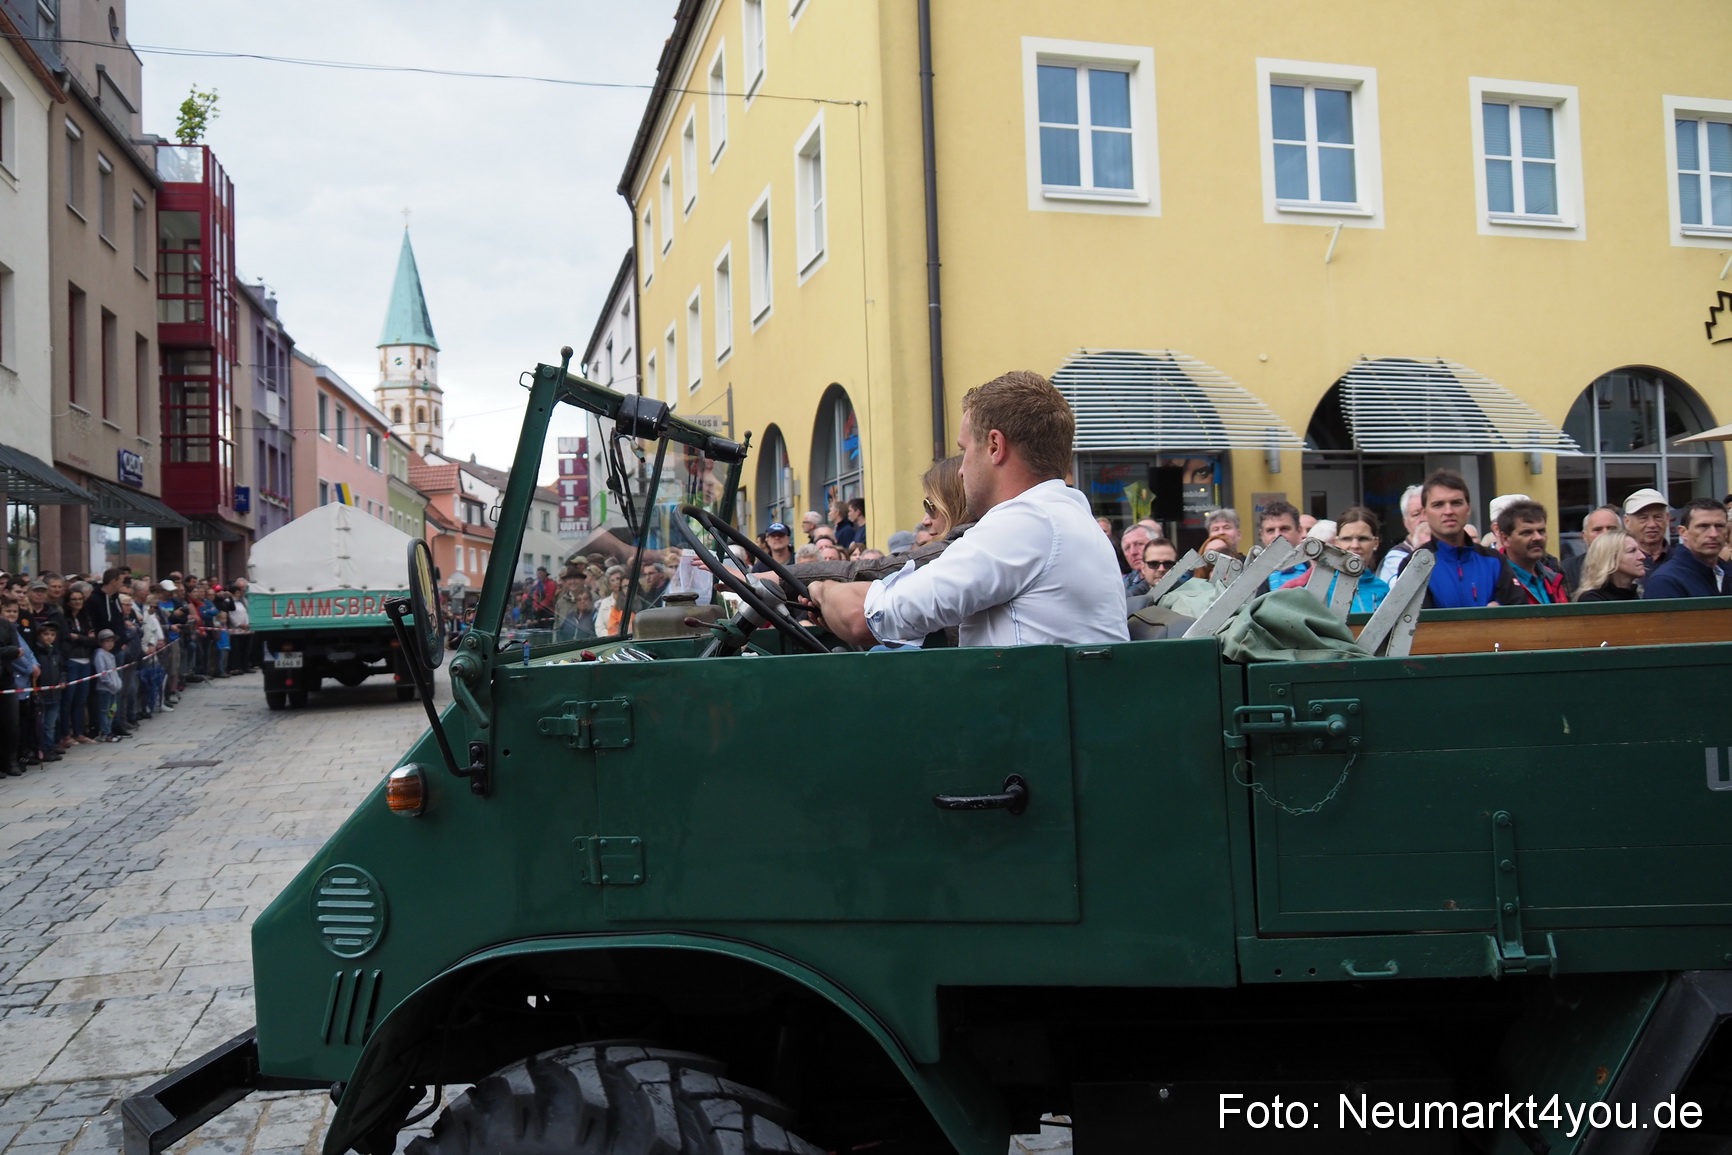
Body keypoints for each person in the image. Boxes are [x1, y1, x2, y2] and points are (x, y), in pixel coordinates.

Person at [807, 370, 1129, 648]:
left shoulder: (1026, 522)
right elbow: (906, 590)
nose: (960, 470)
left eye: (964, 450)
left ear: (994, 446)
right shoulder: (1064, 517)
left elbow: (870, 618)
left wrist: (823, 591)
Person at [1400, 469, 1518, 608]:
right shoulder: (1414, 565)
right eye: (1438, 505)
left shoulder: (1495, 561)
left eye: (1456, 503)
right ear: (1425, 513)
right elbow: (1421, 625)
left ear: (1468, 508)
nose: (1448, 511)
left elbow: (1520, 617)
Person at [1642, 498, 1727, 599]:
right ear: (1683, 532)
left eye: (1719, 526)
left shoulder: (1727, 572)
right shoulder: (1665, 581)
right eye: (1703, 526)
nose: (1713, 534)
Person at [1495, 499, 1568, 605]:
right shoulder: (1495, 580)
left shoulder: (1552, 578)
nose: (1537, 538)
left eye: (1541, 531)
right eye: (1527, 532)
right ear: (1505, 539)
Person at [1331, 507, 1390, 613]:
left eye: (1363, 539)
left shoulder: (1384, 590)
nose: (1355, 545)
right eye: (1347, 539)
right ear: (1336, 543)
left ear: (1375, 543)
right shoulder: (1320, 586)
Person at [1562, 505, 1623, 594]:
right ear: (1585, 536)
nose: (1605, 534)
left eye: (1612, 529)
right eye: (1597, 530)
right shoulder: (1567, 569)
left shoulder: (1636, 565)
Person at [1377, 485, 1428, 584]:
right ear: (1406, 522)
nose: (1423, 519)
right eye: (1416, 514)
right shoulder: (1396, 558)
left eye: (1427, 512)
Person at [1573, 530, 1643, 602]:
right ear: (1611, 559)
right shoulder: (1592, 598)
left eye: (1639, 550)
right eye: (1631, 551)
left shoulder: (1635, 594)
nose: (1642, 556)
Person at [1257, 501, 1308, 592]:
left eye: (1284, 529)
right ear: (1262, 535)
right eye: (1270, 530)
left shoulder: (1314, 569)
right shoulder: (1249, 575)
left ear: (1299, 531)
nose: (1277, 535)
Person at [1623, 488, 1672, 574]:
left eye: (1657, 517)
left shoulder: (1683, 559)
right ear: (1627, 522)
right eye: (1643, 518)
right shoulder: (1619, 564)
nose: (1652, 524)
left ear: (1667, 518)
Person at [92, 629, 123, 742]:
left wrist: (118, 684)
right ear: (101, 642)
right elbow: (102, 673)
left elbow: (115, 672)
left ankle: (108, 730)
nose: (110, 643)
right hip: (105, 688)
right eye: (107, 641)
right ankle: (105, 732)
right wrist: (111, 684)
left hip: (113, 689)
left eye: (112, 641)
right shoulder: (100, 654)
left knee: (111, 710)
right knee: (104, 710)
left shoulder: (111, 655)